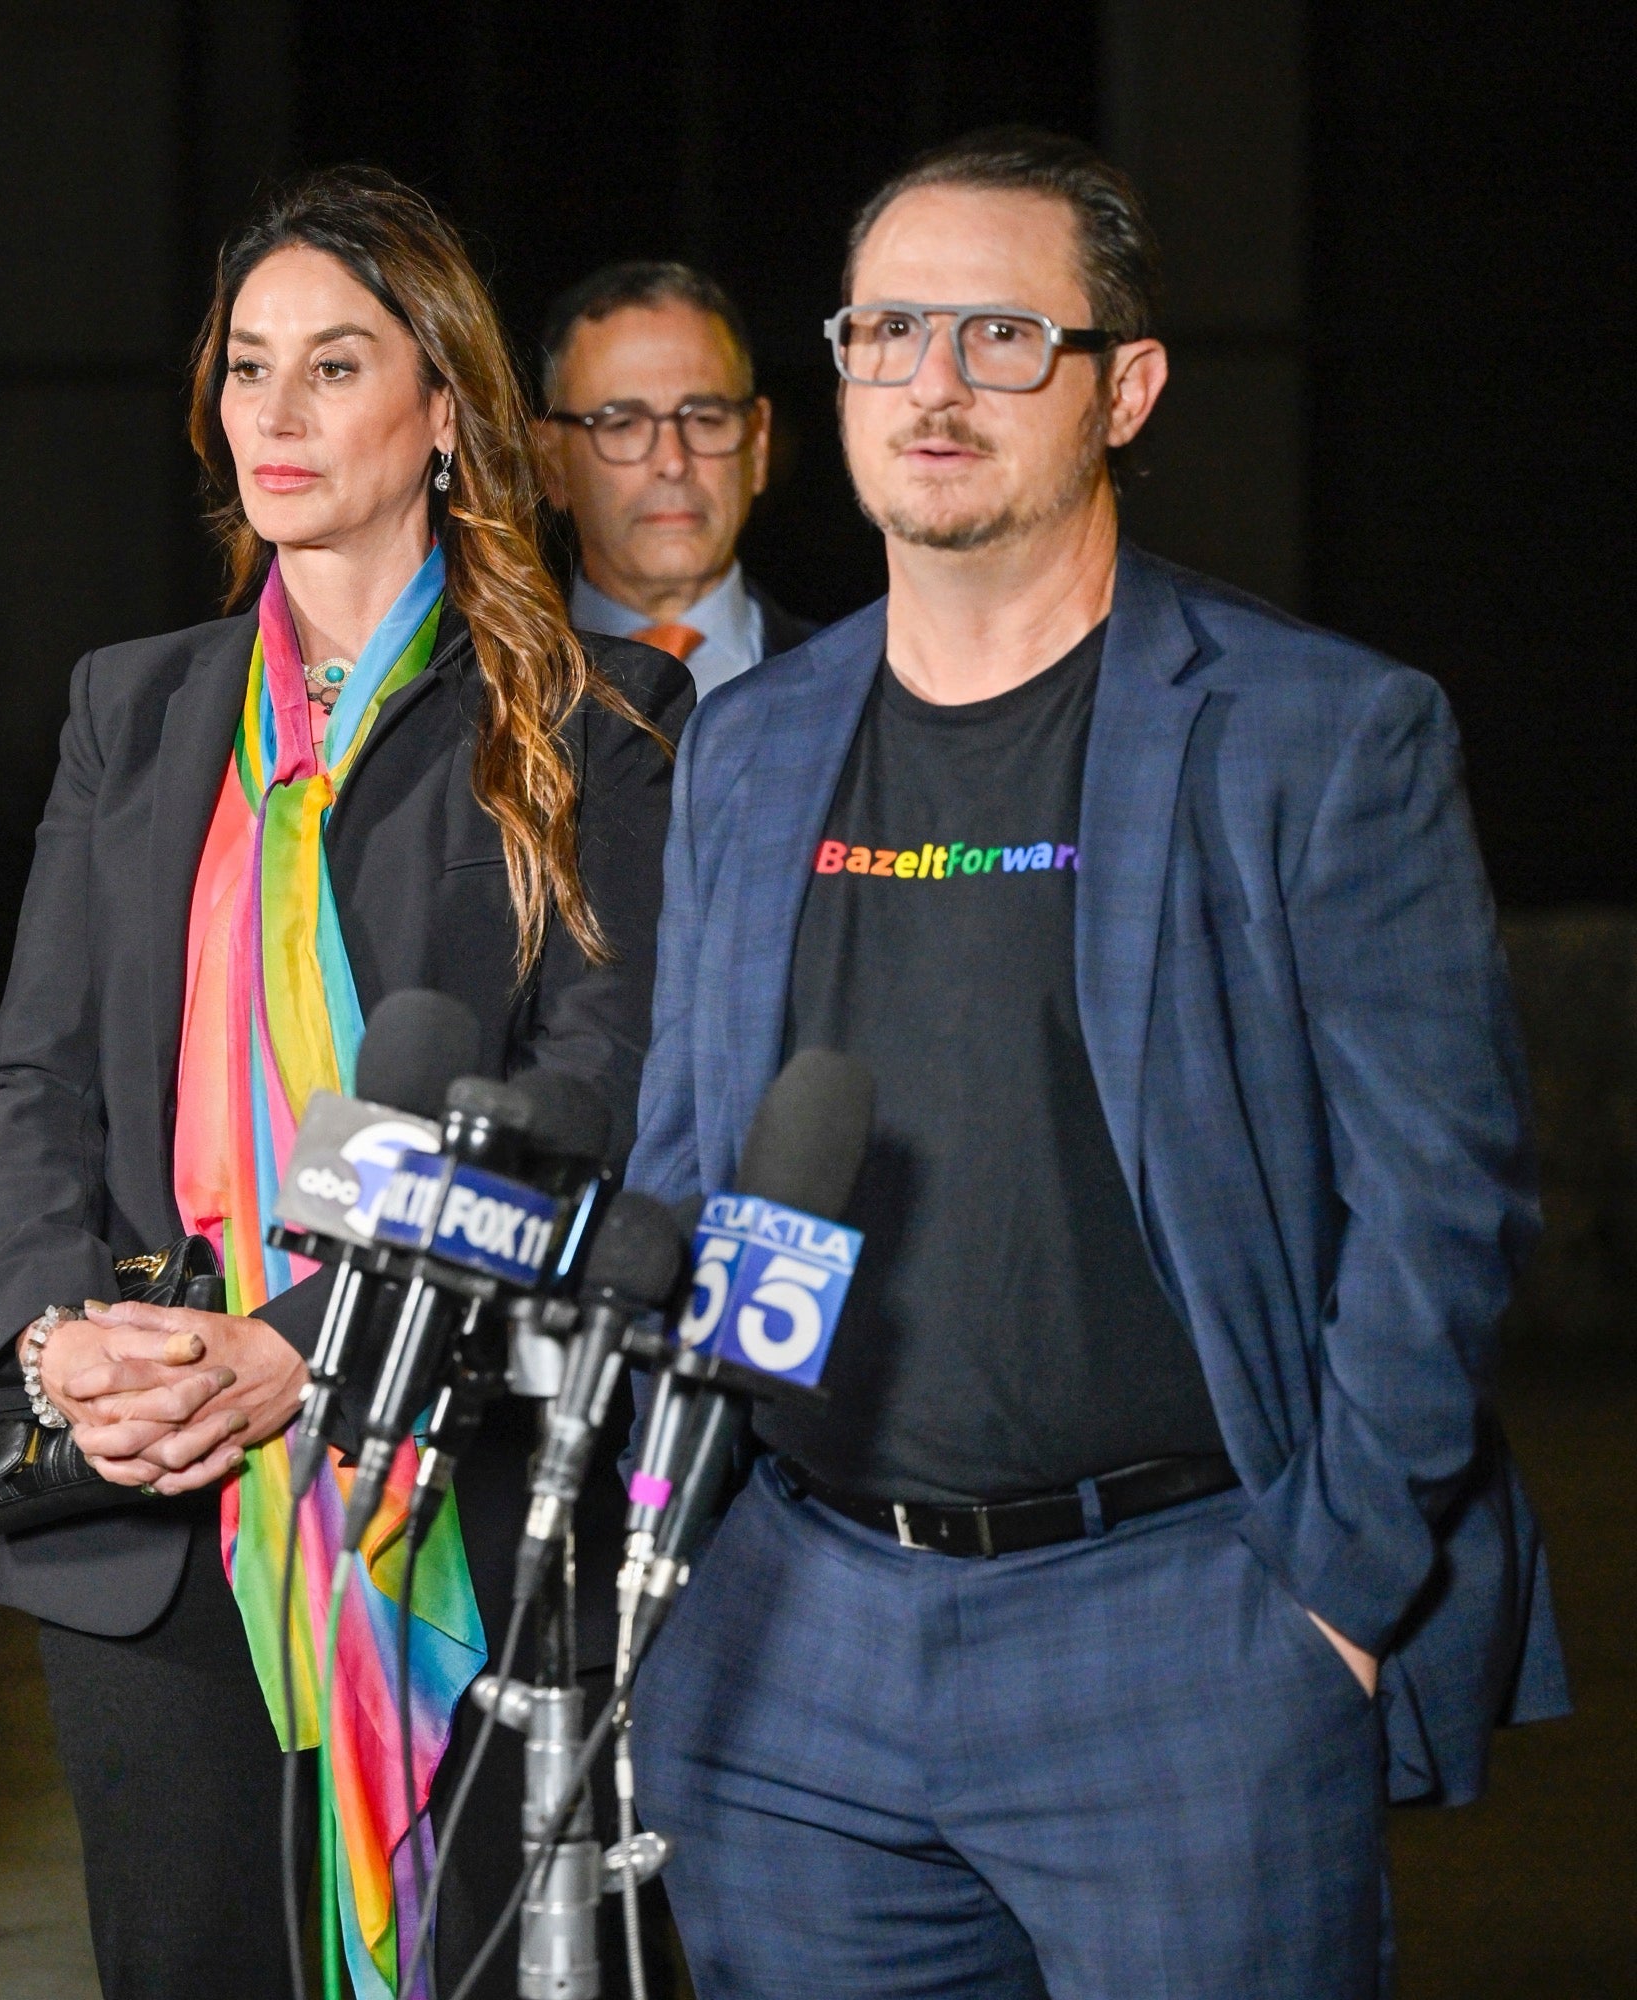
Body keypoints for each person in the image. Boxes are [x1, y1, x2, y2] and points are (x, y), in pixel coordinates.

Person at [621, 128, 1568, 1997]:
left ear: (1121, 387)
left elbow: (1441, 1197)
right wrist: (681, 1569)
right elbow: (687, 1157)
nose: (937, 385)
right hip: (792, 1636)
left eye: (1002, 336)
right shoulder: (747, 748)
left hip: (1182, 1629)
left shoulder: (1317, 734)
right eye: (889, 330)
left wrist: (1335, 1598)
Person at [0, 167, 693, 1997]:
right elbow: (32, 1074)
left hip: (444, 1463)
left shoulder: (599, 722)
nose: (272, 415)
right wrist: (57, 1343)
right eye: (247, 368)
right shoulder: (133, 708)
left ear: (444, 410)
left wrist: (303, 1341)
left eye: (334, 367)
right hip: (148, 1487)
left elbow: (582, 1099)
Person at [536, 262, 817, 700]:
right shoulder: (474, 705)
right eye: (623, 424)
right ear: (551, 463)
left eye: (705, 419)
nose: (673, 462)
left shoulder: (865, 689)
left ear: (758, 445)